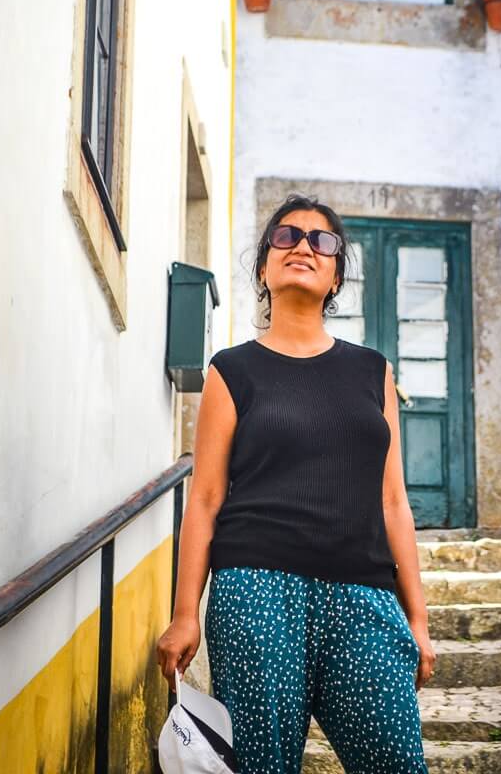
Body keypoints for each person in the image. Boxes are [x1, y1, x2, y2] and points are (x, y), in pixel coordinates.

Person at [156, 192, 435, 773]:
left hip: (364, 599)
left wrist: (418, 620)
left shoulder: (372, 371)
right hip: (255, 592)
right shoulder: (232, 371)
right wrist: (186, 612)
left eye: (322, 240)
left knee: (397, 764)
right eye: (286, 237)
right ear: (264, 266)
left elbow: (392, 501)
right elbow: (205, 498)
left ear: (335, 277)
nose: (304, 246)